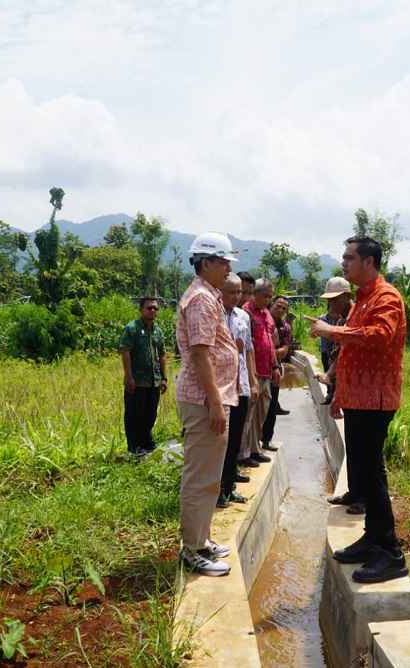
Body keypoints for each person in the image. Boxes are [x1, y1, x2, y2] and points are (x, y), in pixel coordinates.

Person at [310, 235, 409, 584]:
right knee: (363, 474)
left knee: (373, 475)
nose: (344, 263)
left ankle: (390, 553)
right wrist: (339, 392)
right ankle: (372, 540)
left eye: (349, 257)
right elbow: (351, 351)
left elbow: (379, 336)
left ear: (369, 262)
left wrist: (332, 331)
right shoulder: (362, 299)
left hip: (376, 399)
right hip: (356, 398)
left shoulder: (387, 297)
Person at [176, 232, 239, 576]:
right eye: (224, 260)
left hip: (211, 397)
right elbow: (201, 354)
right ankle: (192, 549)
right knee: (200, 476)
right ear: (207, 262)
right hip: (204, 400)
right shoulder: (201, 299)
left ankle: (202, 537)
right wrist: (215, 404)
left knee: (209, 475)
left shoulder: (208, 295)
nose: (229, 267)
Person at [218, 273, 258, 508]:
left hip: (240, 385)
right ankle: (217, 490)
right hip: (222, 388)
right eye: (231, 292)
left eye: (239, 292)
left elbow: (249, 350)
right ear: (220, 292)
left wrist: (252, 381)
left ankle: (229, 486)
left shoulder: (243, 316)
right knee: (221, 441)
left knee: (235, 440)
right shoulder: (213, 315)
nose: (236, 296)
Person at [119, 297, 167, 456]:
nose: (152, 311)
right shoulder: (132, 328)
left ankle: (147, 442)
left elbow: (162, 355)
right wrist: (128, 376)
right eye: (149, 308)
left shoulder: (158, 331)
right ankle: (134, 447)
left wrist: (164, 378)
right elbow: (125, 351)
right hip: (137, 381)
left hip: (154, 381)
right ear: (141, 310)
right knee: (134, 415)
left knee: (150, 413)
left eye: (155, 308)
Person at [240, 278, 278, 467]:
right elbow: (247, 347)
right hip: (252, 373)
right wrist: (251, 375)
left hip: (266, 372)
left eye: (270, 296)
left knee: (260, 415)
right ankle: (243, 454)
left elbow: (270, 342)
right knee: (249, 415)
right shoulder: (246, 313)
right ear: (255, 294)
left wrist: (276, 366)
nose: (268, 300)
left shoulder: (266, 314)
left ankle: (255, 449)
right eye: (266, 296)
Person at [261, 296, 294, 450]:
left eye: (284, 308)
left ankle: (267, 440)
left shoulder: (285, 327)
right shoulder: (260, 320)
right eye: (278, 306)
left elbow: (284, 350)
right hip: (258, 370)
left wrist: (267, 351)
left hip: (274, 370)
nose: (280, 310)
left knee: (271, 406)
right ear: (271, 304)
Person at [316, 276, 353, 406]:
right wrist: (329, 374)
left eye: (335, 299)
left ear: (347, 296)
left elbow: (350, 348)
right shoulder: (341, 321)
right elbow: (341, 353)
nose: (331, 304)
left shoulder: (355, 318)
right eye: (329, 300)